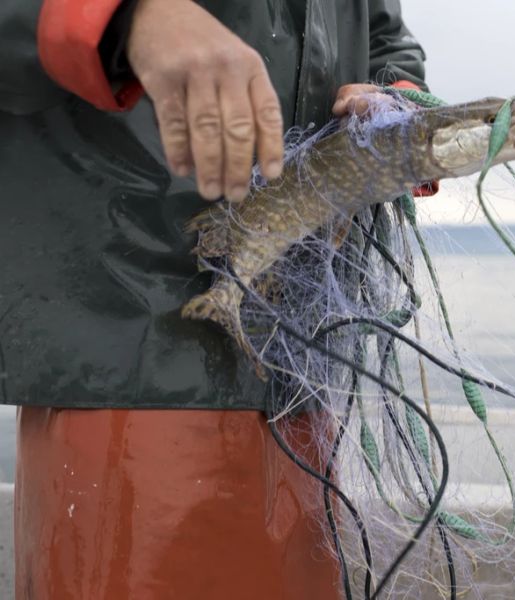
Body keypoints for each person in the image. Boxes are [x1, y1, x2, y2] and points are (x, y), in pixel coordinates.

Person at [0, 0, 428, 597]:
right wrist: (131, 16)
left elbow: (381, 35)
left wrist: (395, 97)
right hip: (125, 352)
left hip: (303, 375)